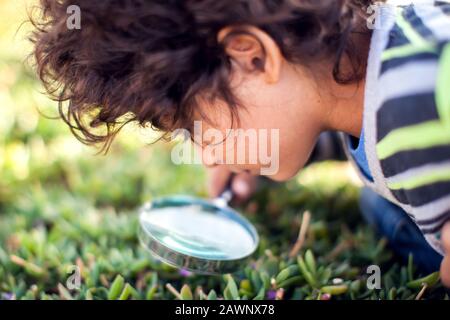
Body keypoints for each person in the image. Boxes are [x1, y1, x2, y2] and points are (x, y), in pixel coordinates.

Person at [31, 0, 450, 286]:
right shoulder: (372, 64)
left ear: (253, 57)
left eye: (196, 128)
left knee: (382, 213)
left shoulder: (420, 106)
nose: (207, 153)